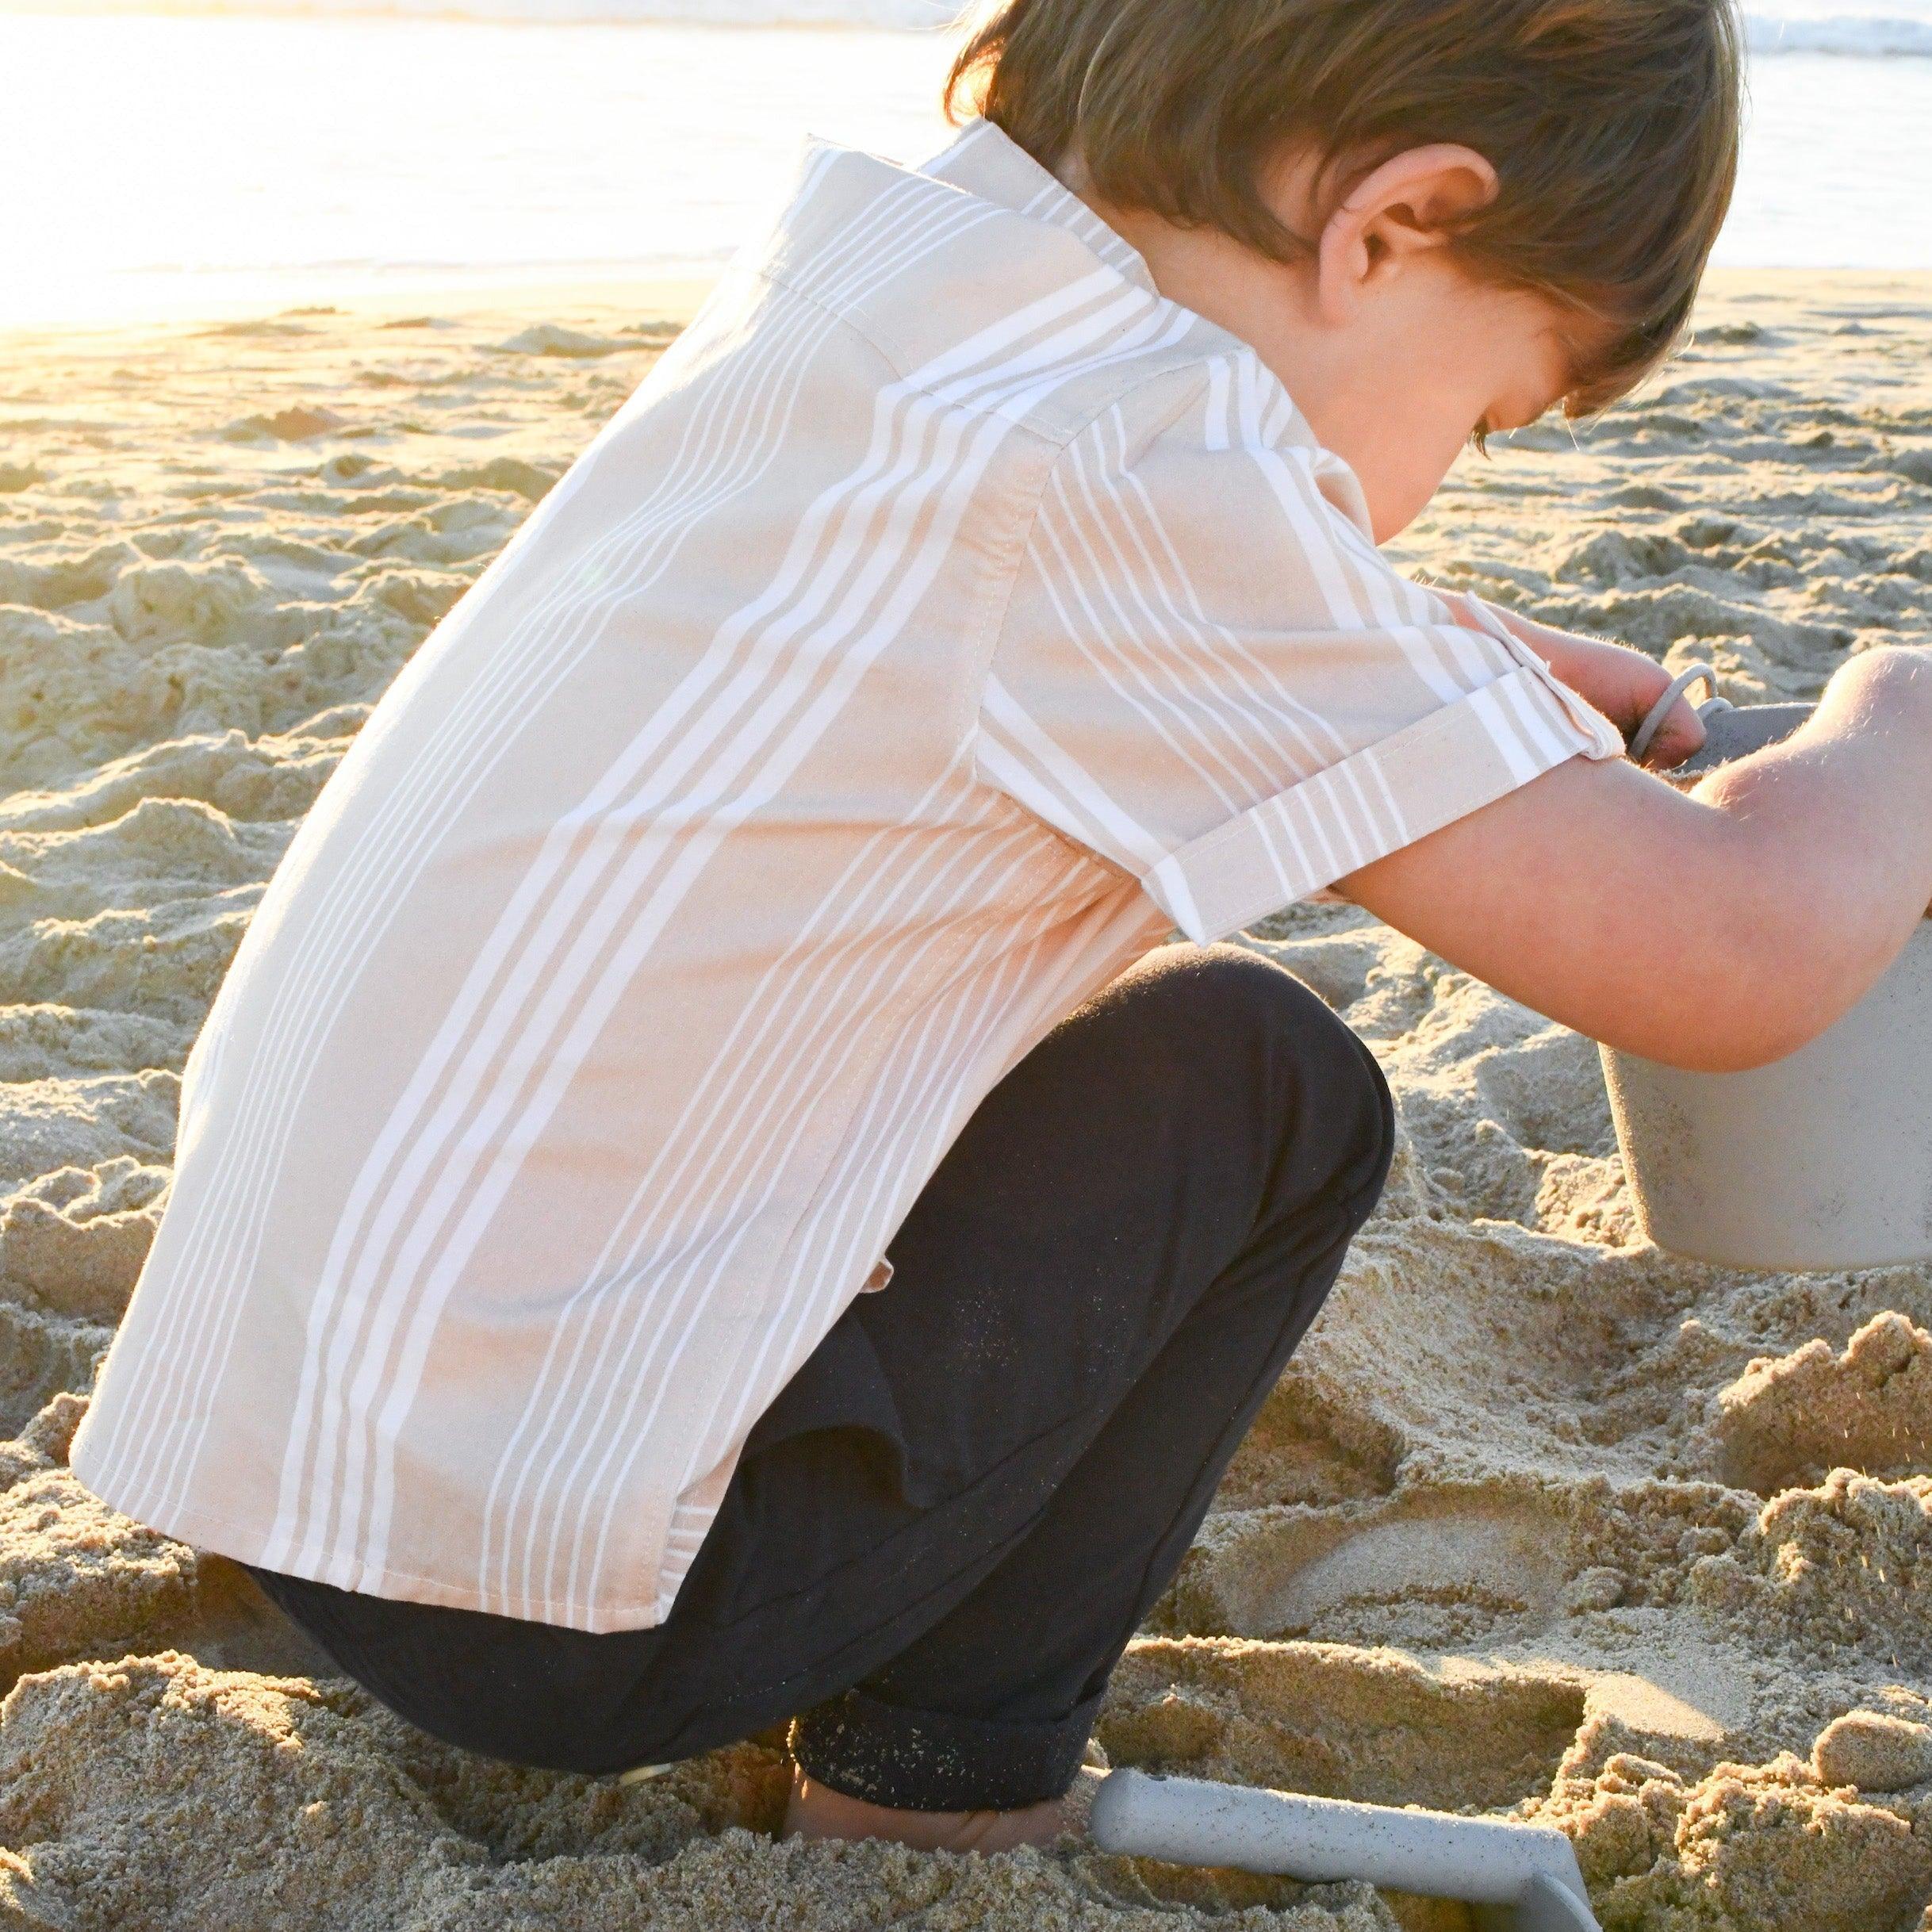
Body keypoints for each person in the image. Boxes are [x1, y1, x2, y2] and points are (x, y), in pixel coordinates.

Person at [67, 0, 1932, 1857]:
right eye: (1487, 414)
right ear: (1391, 223)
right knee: (1257, 1080)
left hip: (287, 1463)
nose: (1448, 470)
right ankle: (942, 1789)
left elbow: (1153, 580)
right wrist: (1894, 732)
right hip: (550, 1603)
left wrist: (1466, 660)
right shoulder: (1129, 463)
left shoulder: (896, 302)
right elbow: (1731, 954)